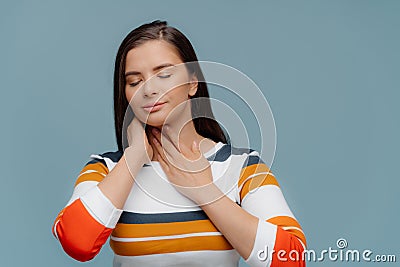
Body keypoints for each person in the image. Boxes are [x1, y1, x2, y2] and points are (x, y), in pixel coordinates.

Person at [52, 20, 307, 267]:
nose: (149, 89)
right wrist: (134, 157)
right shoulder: (107, 168)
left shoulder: (242, 166)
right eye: (134, 81)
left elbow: (291, 259)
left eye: (164, 74)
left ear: (193, 82)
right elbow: (77, 243)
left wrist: (206, 193)